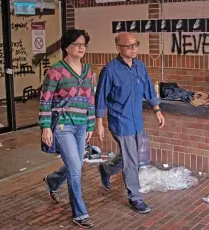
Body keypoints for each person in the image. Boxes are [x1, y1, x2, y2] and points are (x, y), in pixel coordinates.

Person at [95, 32, 165, 214]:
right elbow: (100, 98)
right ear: (118, 47)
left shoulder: (140, 67)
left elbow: (149, 89)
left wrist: (157, 110)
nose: (133, 49)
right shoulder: (110, 70)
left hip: (136, 121)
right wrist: (99, 123)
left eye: (136, 45)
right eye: (129, 46)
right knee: (132, 160)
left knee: (130, 156)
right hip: (120, 121)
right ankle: (135, 197)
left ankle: (107, 167)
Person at [39, 29, 95, 229]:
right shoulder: (56, 71)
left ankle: (53, 181)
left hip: (81, 126)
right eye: (77, 44)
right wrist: (46, 128)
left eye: (84, 45)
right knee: (76, 171)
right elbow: (45, 101)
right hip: (63, 126)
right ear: (67, 47)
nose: (81, 48)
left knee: (76, 165)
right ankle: (80, 213)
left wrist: (90, 125)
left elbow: (91, 100)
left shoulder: (88, 70)